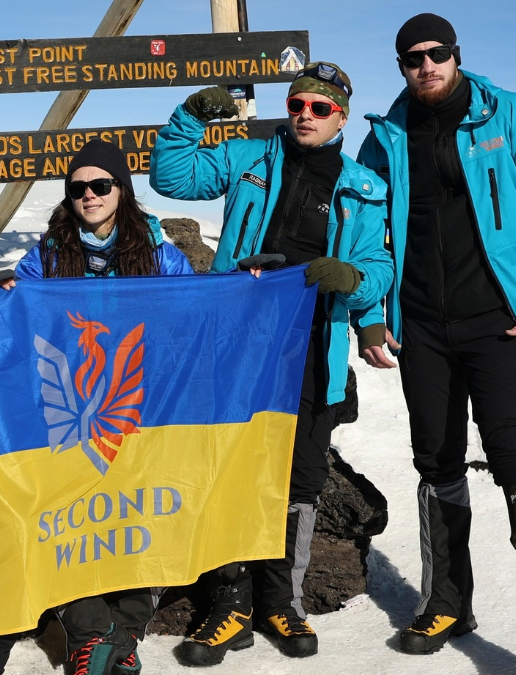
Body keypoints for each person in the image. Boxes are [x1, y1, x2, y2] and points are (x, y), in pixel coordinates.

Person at [354, 13, 516, 673]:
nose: (426, 66)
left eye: (437, 54)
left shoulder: (511, 116)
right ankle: (450, 600)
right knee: (436, 460)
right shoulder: (386, 137)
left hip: (499, 321)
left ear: (456, 54)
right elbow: (365, 233)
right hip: (423, 325)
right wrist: (370, 312)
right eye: (412, 59)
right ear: (401, 65)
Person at [150, 63, 391, 665]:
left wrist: (353, 280)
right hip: (237, 337)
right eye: (298, 103)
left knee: (301, 475)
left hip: (312, 343)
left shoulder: (363, 187)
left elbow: (379, 271)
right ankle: (229, 606)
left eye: (320, 108)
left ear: (342, 116)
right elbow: (172, 176)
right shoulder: (248, 159)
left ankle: (281, 601)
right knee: (230, 465)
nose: (305, 115)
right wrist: (190, 118)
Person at [17, 139, 192, 675]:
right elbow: (17, 317)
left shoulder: (160, 254)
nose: (89, 196)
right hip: (68, 411)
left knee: (147, 514)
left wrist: (250, 288)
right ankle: (93, 633)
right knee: (64, 519)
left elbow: (192, 316)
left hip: (146, 411)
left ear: (123, 189)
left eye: (100, 185)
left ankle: (128, 632)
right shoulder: (46, 255)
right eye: (78, 188)